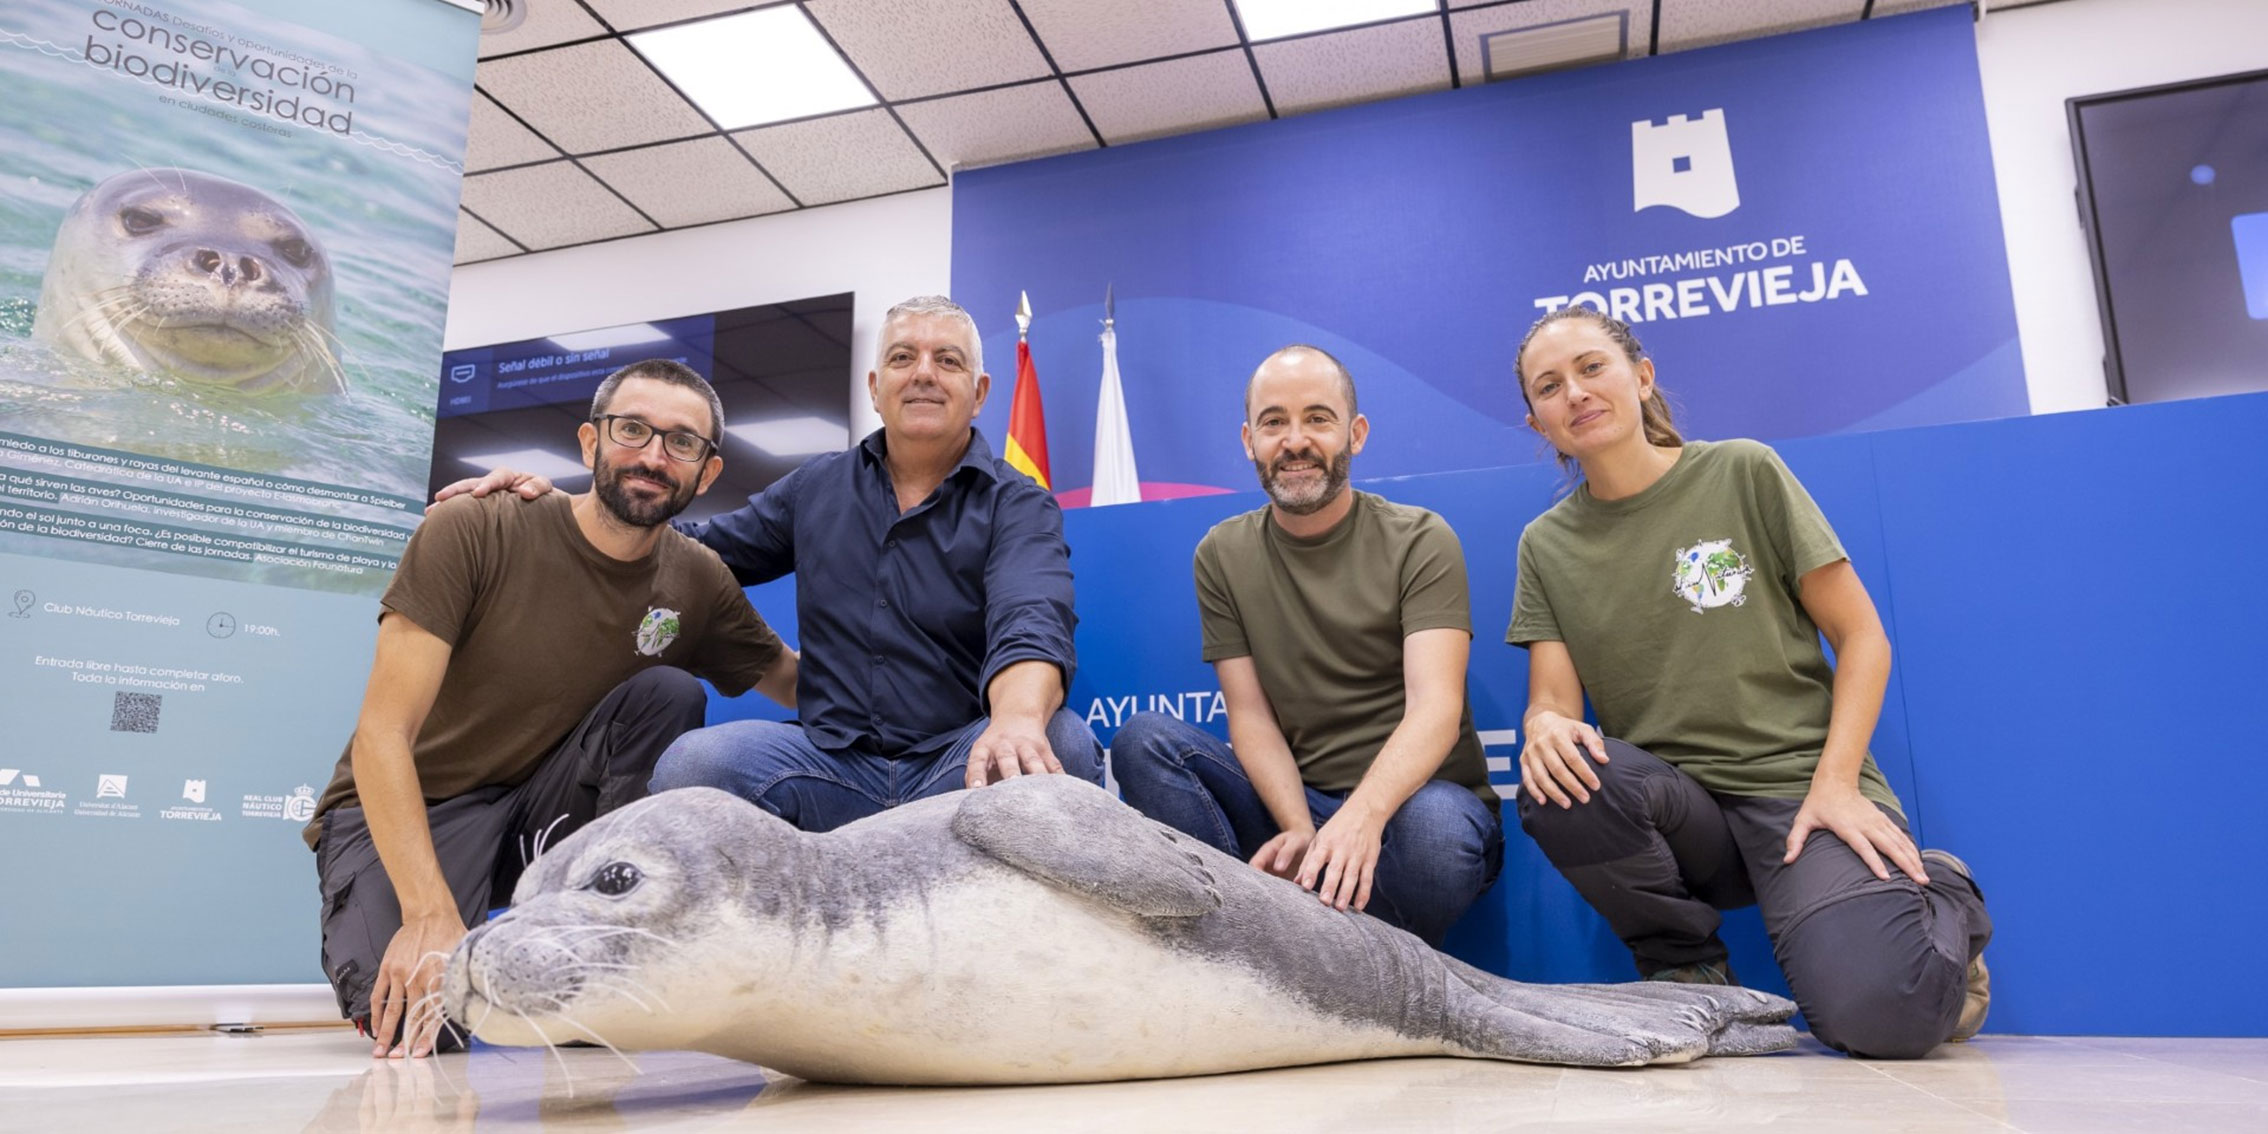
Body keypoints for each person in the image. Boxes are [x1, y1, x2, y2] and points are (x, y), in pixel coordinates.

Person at [1506, 305, 1992, 1058]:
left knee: (1882, 1022)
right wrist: (1542, 725)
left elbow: (1861, 636)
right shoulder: (1546, 544)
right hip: (1683, 815)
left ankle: (1946, 897)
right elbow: (1554, 703)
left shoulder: (1743, 470)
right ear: (1538, 421)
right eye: (1549, 385)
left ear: (1641, 376)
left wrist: (1836, 786)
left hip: (1802, 792)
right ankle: (1685, 966)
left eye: (1591, 367)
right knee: (1558, 779)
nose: (1573, 392)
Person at [443, 296, 1102, 830]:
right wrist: (564, 511)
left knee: (1064, 746)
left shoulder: (1019, 503)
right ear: (876, 387)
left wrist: (1016, 719)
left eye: (947, 360)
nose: (923, 372)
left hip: (959, 763)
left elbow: (1031, 617)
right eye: (903, 357)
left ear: (979, 390)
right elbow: (694, 547)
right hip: (828, 767)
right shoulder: (817, 487)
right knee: (695, 763)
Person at [309, 359, 795, 1059]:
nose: (654, 456)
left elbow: (795, 682)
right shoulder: (474, 526)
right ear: (591, 443)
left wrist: (987, 694)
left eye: (682, 443)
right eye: (633, 430)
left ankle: (608, 946)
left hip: (544, 816)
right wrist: (428, 914)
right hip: (420, 810)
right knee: (427, 1026)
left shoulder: (697, 578)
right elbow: (382, 735)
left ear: (706, 473)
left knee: (667, 693)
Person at [1111, 345, 1502, 947]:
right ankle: (1244, 944)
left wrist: (1361, 820)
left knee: (1438, 837)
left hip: (1411, 810)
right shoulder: (1221, 553)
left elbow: (1437, 710)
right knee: (1144, 742)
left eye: (1318, 419)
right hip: (1296, 803)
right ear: (1249, 440)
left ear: (1356, 433)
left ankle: (1330, 961)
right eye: (1274, 422)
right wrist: (1298, 827)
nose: (1295, 441)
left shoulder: (1421, 538)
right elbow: (1249, 716)